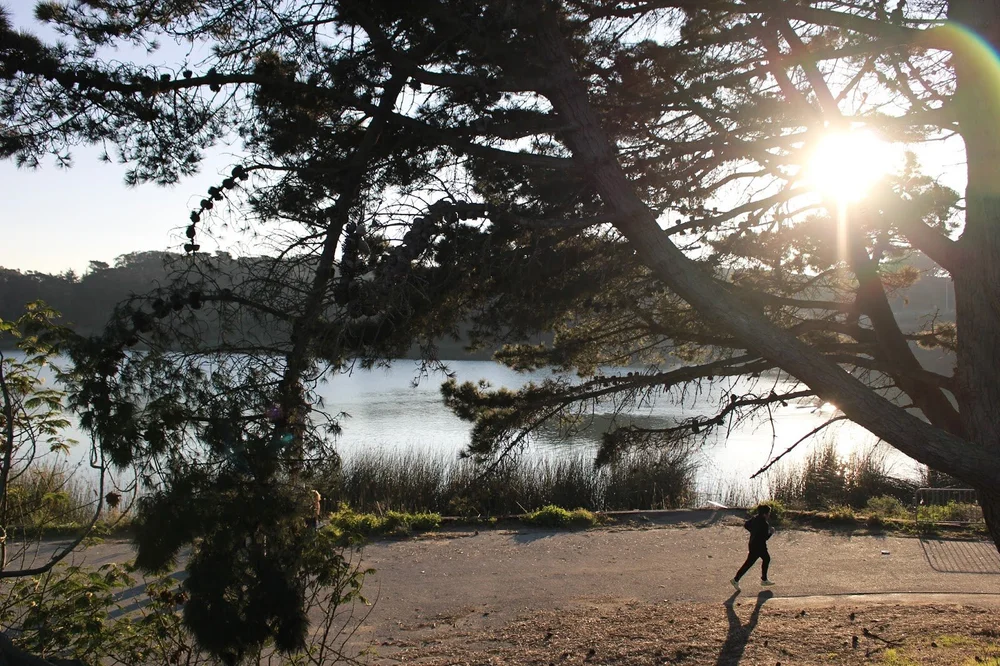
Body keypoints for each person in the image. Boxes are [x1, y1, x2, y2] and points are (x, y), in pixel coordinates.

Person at [730, 504, 776, 591]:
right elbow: (765, 538)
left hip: (752, 544)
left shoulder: (754, 518)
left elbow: (746, 525)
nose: (769, 514)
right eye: (768, 513)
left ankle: (763, 579)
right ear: (764, 514)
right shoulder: (764, 524)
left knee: (763, 559)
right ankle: (762, 580)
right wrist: (771, 532)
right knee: (753, 562)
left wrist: (753, 531)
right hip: (760, 546)